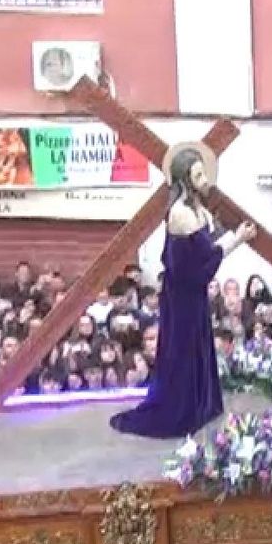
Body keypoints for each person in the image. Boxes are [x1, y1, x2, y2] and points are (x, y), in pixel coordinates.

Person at [111, 143, 256, 438]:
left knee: (199, 346)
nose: (204, 181)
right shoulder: (180, 214)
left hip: (194, 293)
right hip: (182, 295)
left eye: (204, 174)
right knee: (184, 349)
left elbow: (209, 244)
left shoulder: (198, 208)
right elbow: (205, 258)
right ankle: (183, 409)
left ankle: (201, 403)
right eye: (198, 175)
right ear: (184, 180)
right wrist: (238, 239)